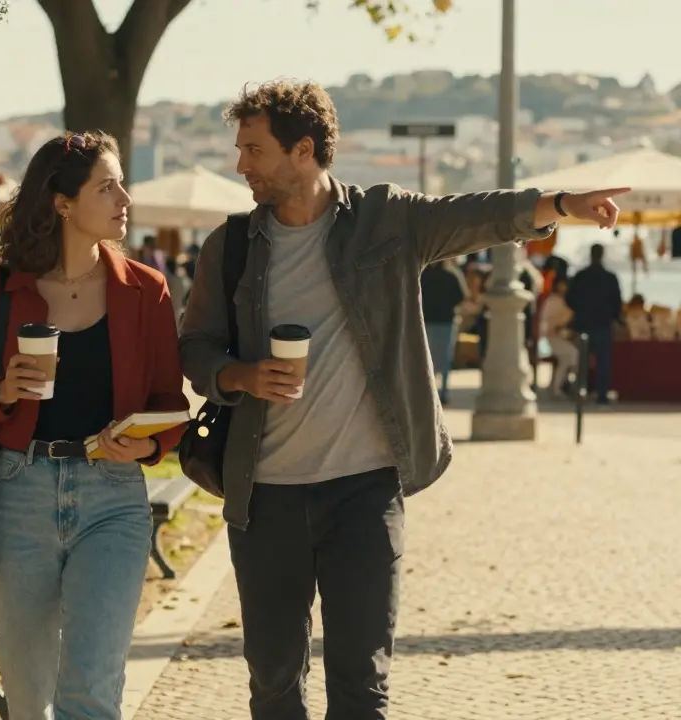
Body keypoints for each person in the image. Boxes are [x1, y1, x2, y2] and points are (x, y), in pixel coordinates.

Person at [179, 79, 627, 720]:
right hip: (265, 495)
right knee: (274, 684)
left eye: (253, 149)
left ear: (302, 150)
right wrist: (239, 377)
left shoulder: (385, 220)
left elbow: (475, 214)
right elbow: (195, 347)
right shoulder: (230, 247)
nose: (240, 163)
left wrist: (560, 205)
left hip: (364, 491)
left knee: (362, 688)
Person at [0, 131, 188, 720]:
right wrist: (2, 391)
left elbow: (170, 404)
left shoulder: (145, 292)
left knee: (91, 693)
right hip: (15, 494)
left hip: (113, 501)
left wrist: (146, 444)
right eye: (107, 187)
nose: (124, 198)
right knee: (30, 698)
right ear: (62, 202)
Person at [565, 243, 624, 404]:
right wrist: (615, 317)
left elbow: (569, 299)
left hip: (583, 324)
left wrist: (581, 309)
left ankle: (581, 392)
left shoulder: (580, 277)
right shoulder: (610, 278)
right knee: (603, 363)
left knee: (582, 363)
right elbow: (617, 304)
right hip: (603, 325)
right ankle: (602, 396)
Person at [420, 258, 466, 404]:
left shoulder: (423, 276)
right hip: (446, 321)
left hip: (426, 320)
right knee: (445, 358)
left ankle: (428, 390)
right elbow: (460, 297)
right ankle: (443, 391)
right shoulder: (451, 276)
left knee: (427, 357)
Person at [541, 277, 578, 397]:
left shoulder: (563, 301)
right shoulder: (552, 301)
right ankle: (559, 387)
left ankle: (558, 386)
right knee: (572, 355)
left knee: (567, 360)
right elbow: (549, 322)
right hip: (552, 336)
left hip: (560, 336)